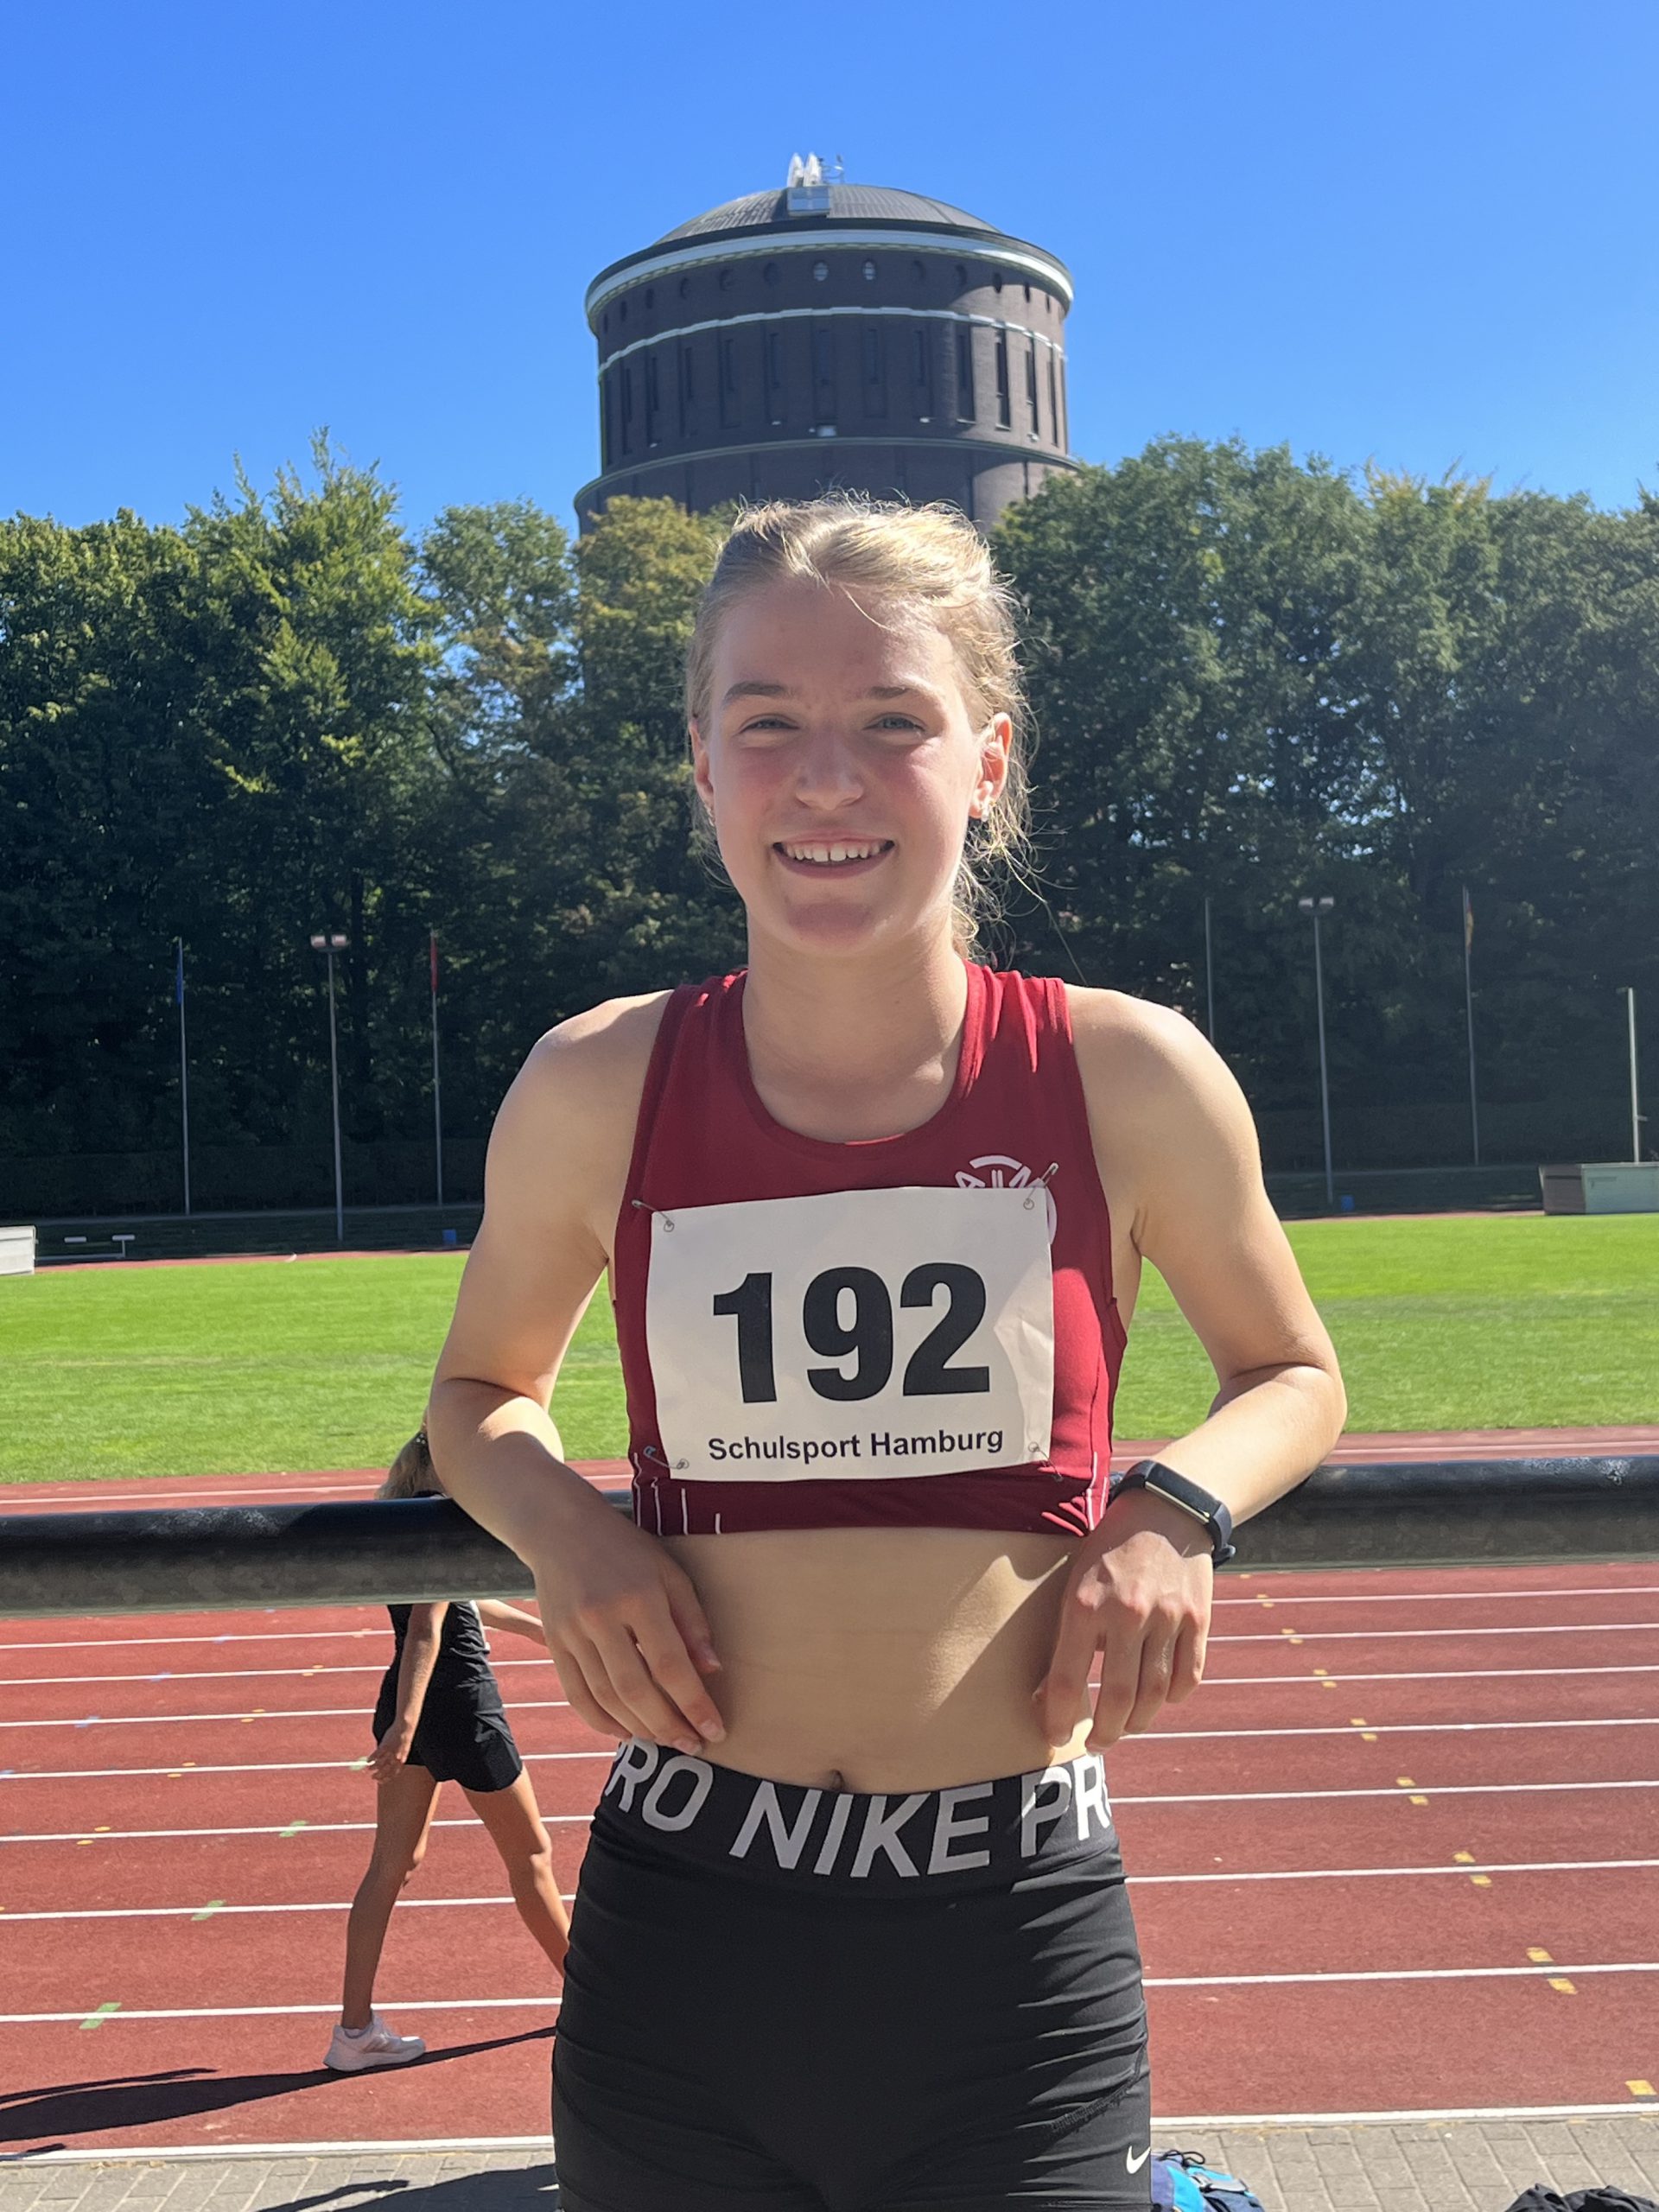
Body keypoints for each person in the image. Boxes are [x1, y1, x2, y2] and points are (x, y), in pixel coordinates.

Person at [427, 497, 1346, 2209]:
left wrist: (1176, 1510)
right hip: (683, 1941)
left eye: (893, 721)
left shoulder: (1128, 1071)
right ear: (702, 764)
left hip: (1013, 1948)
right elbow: (480, 1395)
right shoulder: (595, 1082)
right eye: (768, 721)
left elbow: (1292, 1370)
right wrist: (568, 1531)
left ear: (988, 760)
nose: (828, 779)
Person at [325, 1429, 572, 2074]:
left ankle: (354, 2031)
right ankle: (592, 1998)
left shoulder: (400, 1522)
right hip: (462, 1707)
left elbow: (458, 1598)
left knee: (392, 1866)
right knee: (532, 1856)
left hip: (411, 1703)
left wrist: (540, 1631)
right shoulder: (445, 1521)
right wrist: (405, 1728)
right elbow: (427, 1629)